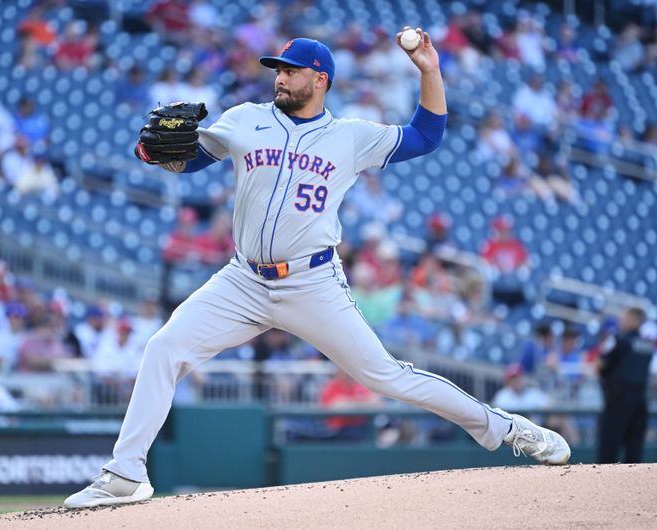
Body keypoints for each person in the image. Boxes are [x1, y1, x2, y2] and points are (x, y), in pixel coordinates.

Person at [64, 32, 570, 509]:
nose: (279, 78)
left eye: (290, 70)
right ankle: (126, 474)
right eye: (276, 70)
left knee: (389, 377)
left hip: (312, 281)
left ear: (320, 78)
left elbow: (427, 135)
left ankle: (507, 429)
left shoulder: (349, 136)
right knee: (163, 348)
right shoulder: (245, 119)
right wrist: (152, 151)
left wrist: (430, 71)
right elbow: (187, 160)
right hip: (243, 280)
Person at [597, 307, 656, 464]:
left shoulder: (620, 341)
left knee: (609, 448)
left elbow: (601, 364)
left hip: (618, 400)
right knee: (635, 449)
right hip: (640, 401)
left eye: (624, 318)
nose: (621, 321)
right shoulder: (648, 345)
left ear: (632, 320)